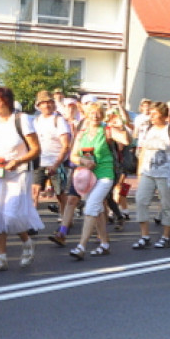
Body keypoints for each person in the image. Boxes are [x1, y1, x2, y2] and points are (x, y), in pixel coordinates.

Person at [0, 87, 42, 272]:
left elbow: (36, 149)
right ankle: (2, 258)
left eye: (0, 102)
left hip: (19, 172)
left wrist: (17, 160)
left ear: (8, 102)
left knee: (11, 214)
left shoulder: (22, 120)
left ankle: (27, 242)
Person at [132, 101, 170, 249]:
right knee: (141, 201)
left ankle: (166, 236)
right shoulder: (148, 129)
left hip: (166, 173)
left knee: (167, 205)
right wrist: (139, 172)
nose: (151, 116)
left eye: (154, 114)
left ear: (163, 115)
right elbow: (143, 152)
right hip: (148, 171)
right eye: (151, 113)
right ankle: (144, 236)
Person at [67, 102, 115, 260]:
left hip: (105, 174)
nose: (95, 115)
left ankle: (81, 246)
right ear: (86, 115)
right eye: (92, 112)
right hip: (89, 177)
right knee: (98, 210)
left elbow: (127, 141)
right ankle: (105, 244)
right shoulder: (82, 133)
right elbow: (73, 156)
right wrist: (83, 161)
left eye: (98, 112)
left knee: (91, 207)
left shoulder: (107, 130)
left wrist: (120, 127)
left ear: (102, 115)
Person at [31, 90, 72, 213]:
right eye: (43, 103)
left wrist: (56, 164)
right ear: (38, 106)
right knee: (34, 191)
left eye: (49, 102)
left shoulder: (59, 120)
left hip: (57, 162)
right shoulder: (36, 121)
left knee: (60, 193)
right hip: (40, 161)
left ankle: (64, 218)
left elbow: (66, 145)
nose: (46, 105)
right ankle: (32, 220)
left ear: (53, 104)